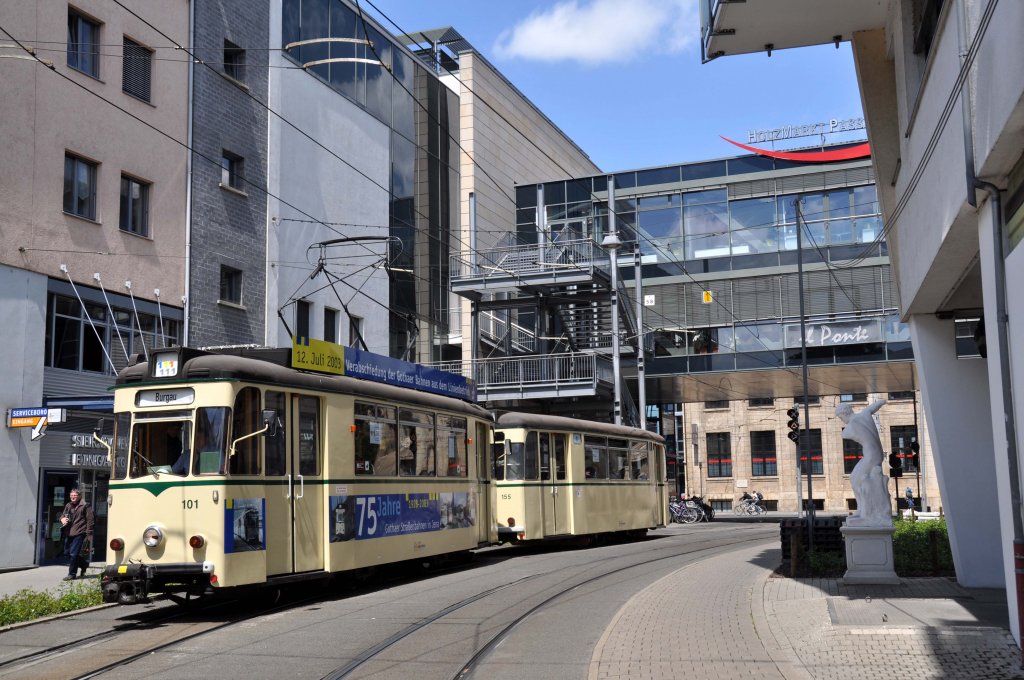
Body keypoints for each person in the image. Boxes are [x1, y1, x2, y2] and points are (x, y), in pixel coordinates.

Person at [837, 399, 890, 527]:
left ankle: (866, 512)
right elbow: (873, 407)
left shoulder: (850, 427)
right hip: (875, 454)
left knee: (856, 479)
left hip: (871, 456)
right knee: (855, 478)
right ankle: (863, 510)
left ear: (844, 413)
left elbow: (846, 434)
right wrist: (883, 401)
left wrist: (882, 402)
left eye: (840, 417)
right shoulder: (864, 414)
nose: (841, 420)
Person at [60, 488, 94, 581]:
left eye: (75, 495)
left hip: (79, 532)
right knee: (67, 553)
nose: (73, 497)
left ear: (79, 496)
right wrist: (62, 519)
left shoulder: (85, 506)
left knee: (73, 554)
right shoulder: (68, 505)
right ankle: (84, 564)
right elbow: (63, 515)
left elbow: (90, 521)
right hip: (69, 532)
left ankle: (72, 574)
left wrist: (88, 535)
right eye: (71, 496)